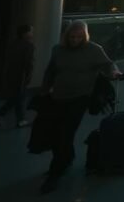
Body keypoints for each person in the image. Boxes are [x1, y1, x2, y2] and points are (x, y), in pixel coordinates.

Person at [38, 21, 119, 193]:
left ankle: (56, 172)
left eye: (79, 37)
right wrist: (45, 90)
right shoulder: (58, 50)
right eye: (72, 37)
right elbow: (51, 71)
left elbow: (107, 64)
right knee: (56, 132)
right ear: (67, 36)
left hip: (80, 97)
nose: (75, 40)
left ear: (84, 36)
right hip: (58, 96)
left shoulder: (93, 50)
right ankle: (66, 158)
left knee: (65, 133)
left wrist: (113, 72)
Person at [0, 24, 34, 129]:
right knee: (17, 99)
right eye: (31, 31)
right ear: (25, 33)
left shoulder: (12, 44)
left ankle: (13, 119)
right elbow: (28, 63)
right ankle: (17, 120)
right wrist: (29, 76)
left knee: (16, 99)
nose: (32, 34)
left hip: (10, 75)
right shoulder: (29, 46)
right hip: (21, 76)